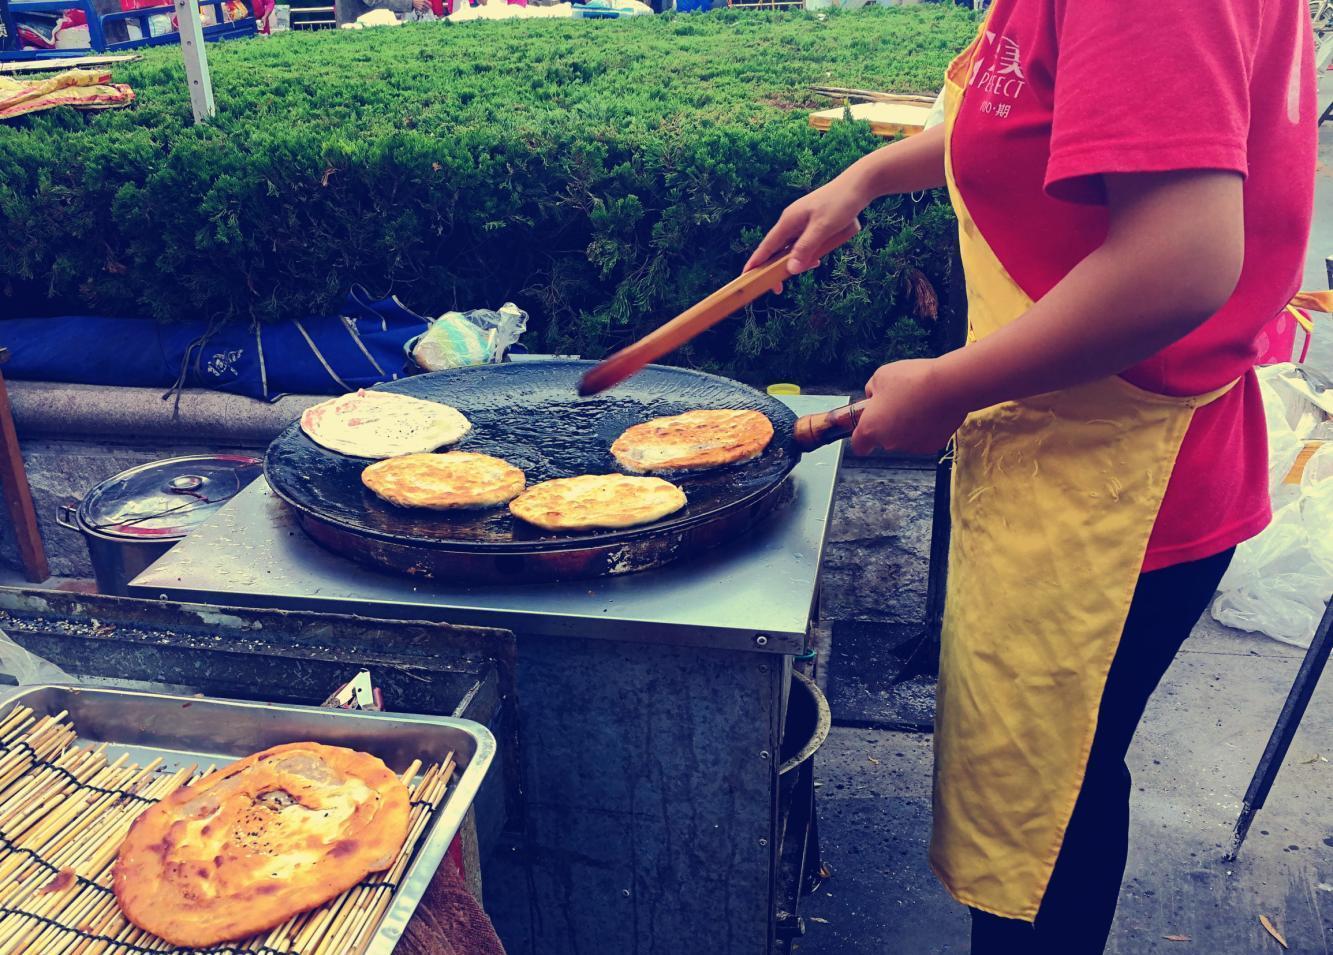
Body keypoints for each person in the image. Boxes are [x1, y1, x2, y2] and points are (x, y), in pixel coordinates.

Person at [747, 2, 1315, 952]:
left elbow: (1179, 262)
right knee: (1067, 782)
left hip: (1120, 494)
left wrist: (946, 390)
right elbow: (1037, 114)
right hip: (1078, 454)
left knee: (1047, 808)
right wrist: (870, 174)